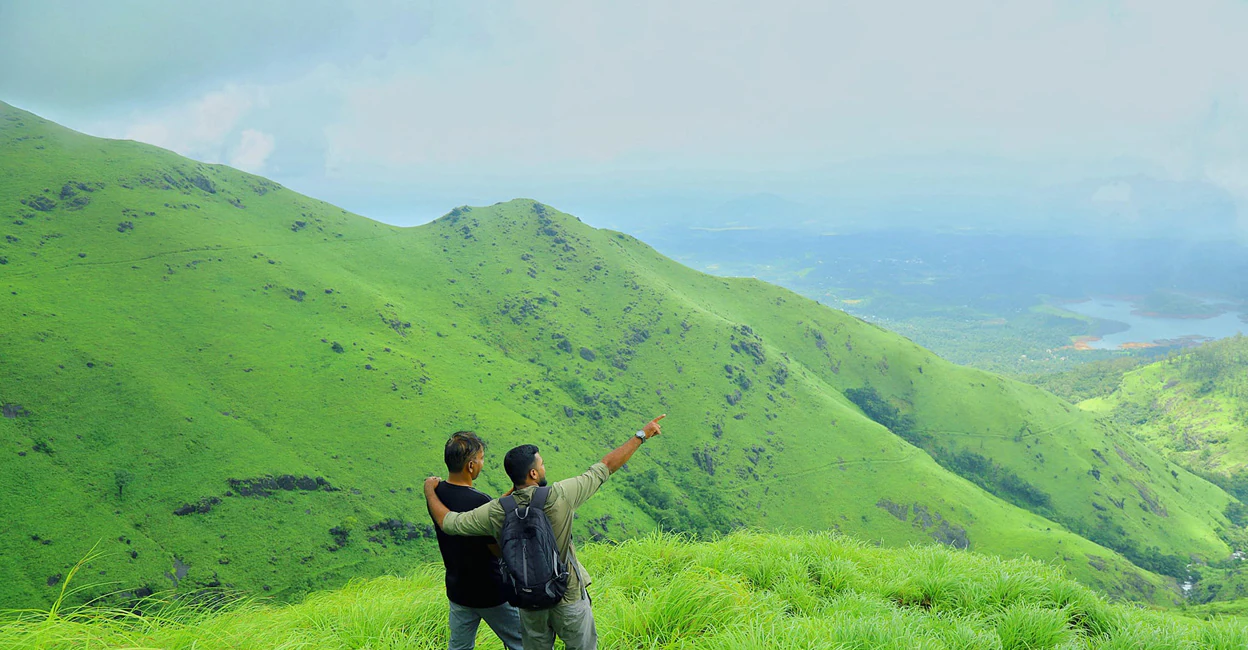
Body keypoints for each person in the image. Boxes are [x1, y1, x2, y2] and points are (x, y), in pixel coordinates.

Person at [425, 415, 667, 650]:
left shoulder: (495, 510)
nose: (543, 468)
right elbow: (605, 467)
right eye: (541, 465)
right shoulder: (560, 495)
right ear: (532, 474)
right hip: (568, 595)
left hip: (529, 602)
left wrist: (429, 491)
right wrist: (641, 435)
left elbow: (449, 522)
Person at [430, 431, 524, 650]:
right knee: (522, 643)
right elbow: (497, 549)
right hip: (490, 592)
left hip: (458, 590)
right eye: (481, 459)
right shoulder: (480, 501)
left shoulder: (437, 495)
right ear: (470, 466)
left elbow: (482, 509)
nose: (483, 463)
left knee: (460, 647)